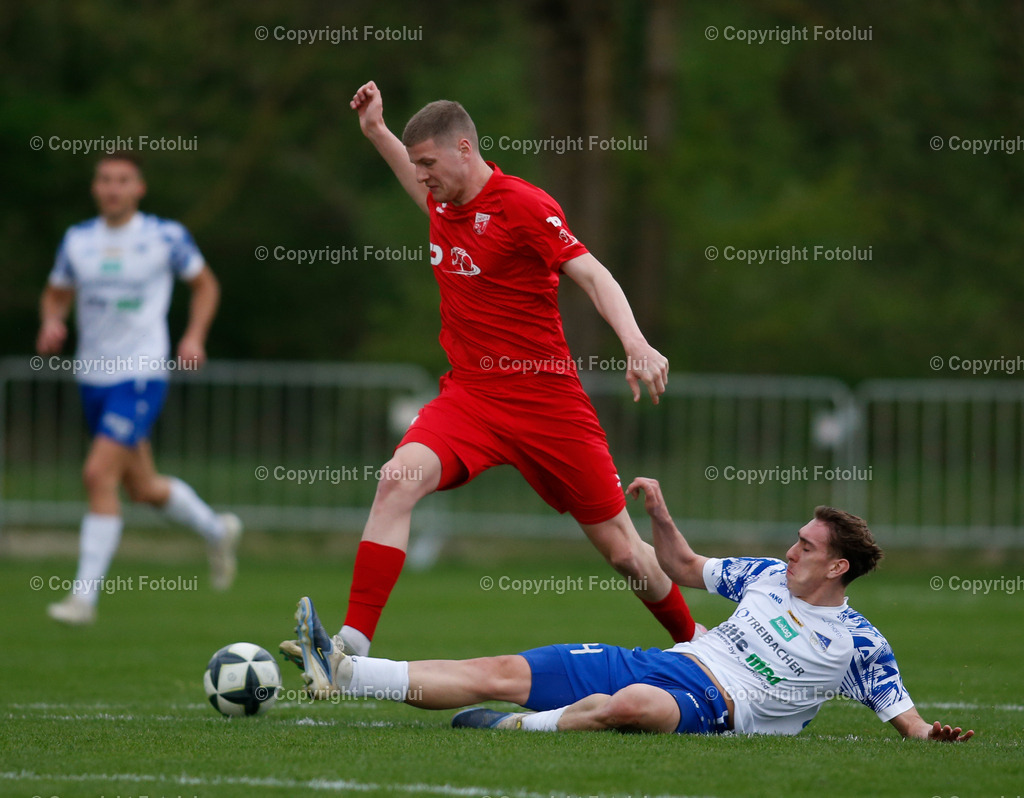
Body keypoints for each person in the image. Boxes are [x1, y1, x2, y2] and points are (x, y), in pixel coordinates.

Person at [280, 80, 698, 664]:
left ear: (465, 150)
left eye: (429, 163)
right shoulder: (441, 201)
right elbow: (410, 173)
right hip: (471, 398)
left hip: (547, 404)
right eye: (416, 164)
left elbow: (594, 274)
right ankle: (348, 650)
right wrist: (375, 130)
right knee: (397, 479)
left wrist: (635, 342)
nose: (421, 175)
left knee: (625, 552)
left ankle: (698, 645)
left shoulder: (523, 205)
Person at [289, 477, 973, 742]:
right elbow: (684, 567)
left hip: (715, 706)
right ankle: (344, 673)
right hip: (666, 661)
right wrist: (661, 515)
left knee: (635, 706)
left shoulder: (857, 642)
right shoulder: (765, 577)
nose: (790, 551)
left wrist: (928, 734)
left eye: (806, 546)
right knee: (500, 669)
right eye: (796, 540)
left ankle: (519, 729)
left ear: (838, 566)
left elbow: (901, 714)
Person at [36, 151, 242, 625]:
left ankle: (82, 599)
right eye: (105, 179)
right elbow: (57, 292)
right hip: (93, 377)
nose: (113, 188)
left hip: (141, 373)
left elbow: (205, 286)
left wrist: (193, 336)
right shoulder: (78, 240)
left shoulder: (164, 236)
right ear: (95, 187)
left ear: (139, 188)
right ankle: (217, 529)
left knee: (97, 475)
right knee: (143, 487)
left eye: (123, 180)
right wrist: (51, 320)